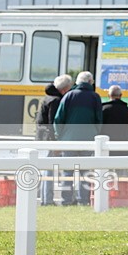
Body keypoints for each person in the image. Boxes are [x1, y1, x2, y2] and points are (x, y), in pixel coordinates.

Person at [53, 71, 103, 206]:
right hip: (88, 141)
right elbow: (99, 119)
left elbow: (58, 119)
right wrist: (94, 134)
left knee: (68, 172)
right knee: (85, 172)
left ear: (77, 82)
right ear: (91, 82)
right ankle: (83, 200)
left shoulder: (68, 96)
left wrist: (60, 136)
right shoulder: (95, 97)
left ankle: (66, 200)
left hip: (68, 141)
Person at [35, 74, 72, 206]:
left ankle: (46, 198)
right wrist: (55, 142)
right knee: (48, 170)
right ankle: (47, 199)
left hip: (42, 136)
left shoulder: (48, 97)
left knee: (46, 168)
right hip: (48, 139)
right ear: (65, 89)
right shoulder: (56, 101)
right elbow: (53, 123)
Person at [101, 84, 128, 156]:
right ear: (121, 95)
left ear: (108, 95)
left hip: (106, 147)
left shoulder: (103, 110)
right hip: (123, 148)